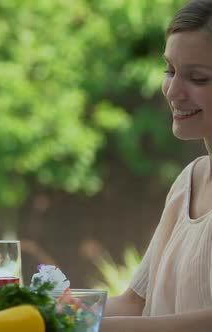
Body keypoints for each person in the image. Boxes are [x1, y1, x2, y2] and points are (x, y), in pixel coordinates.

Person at [100, 1, 212, 331]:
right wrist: (39, 307)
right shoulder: (188, 180)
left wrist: (83, 326)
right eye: (170, 71)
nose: (174, 91)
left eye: (198, 78)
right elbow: (136, 303)